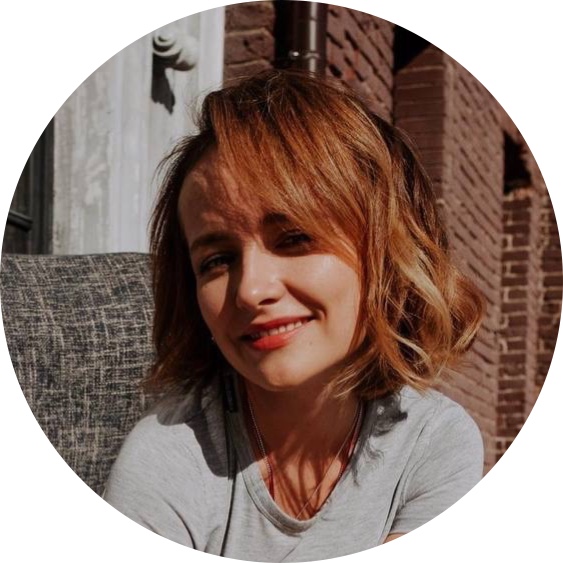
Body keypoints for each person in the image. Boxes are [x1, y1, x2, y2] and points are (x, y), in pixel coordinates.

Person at [103, 69, 485, 561]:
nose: (250, 290)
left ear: (387, 252)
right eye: (216, 260)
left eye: (295, 238)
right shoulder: (166, 460)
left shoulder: (433, 444)